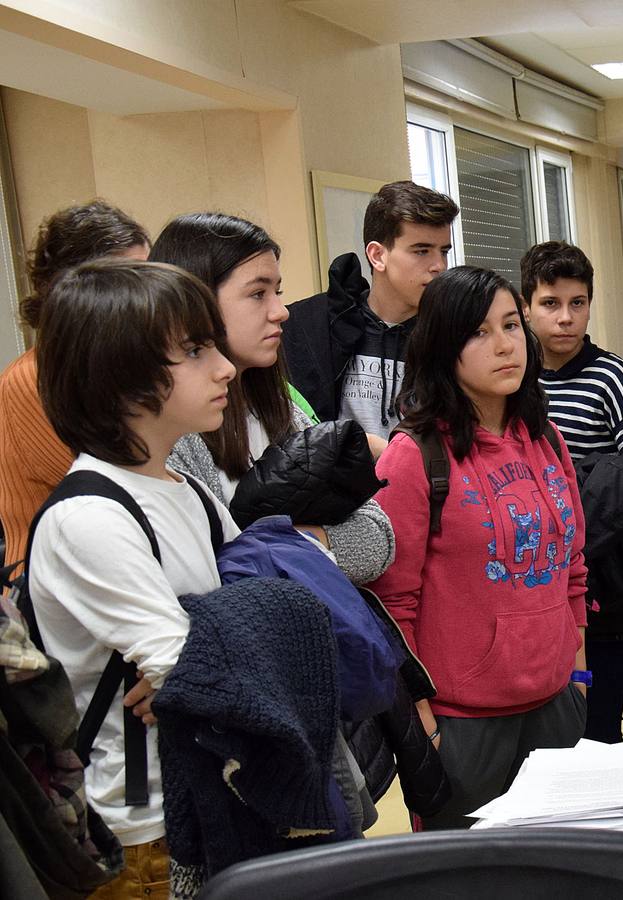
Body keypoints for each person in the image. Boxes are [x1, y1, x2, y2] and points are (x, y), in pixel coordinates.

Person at [28, 259, 243, 899]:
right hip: (137, 834)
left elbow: (278, 612)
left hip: (206, 795)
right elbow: (192, 670)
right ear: (119, 374)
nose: (225, 367)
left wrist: (212, 655)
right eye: (196, 351)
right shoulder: (88, 516)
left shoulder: (191, 491)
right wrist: (205, 661)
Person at [368, 266, 588, 828]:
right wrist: (423, 723)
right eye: (479, 332)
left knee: (556, 881)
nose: (505, 345)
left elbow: (572, 568)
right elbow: (393, 606)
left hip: (554, 708)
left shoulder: (545, 438)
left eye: (511, 325)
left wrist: (577, 674)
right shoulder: (414, 456)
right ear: (444, 346)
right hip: (462, 723)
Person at [151, 213, 393, 585]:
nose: (281, 311)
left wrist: (277, 545)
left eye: (277, 292)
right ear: (194, 302)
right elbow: (217, 573)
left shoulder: (283, 408)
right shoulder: (173, 436)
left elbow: (378, 539)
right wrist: (318, 542)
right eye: (257, 293)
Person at [522, 240, 623, 743]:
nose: (565, 318)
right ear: (526, 307)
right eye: (550, 304)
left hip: (602, 591)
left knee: (597, 730)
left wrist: (569, 518)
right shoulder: (512, 379)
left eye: (577, 303)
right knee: (544, 737)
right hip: (531, 587)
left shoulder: (612, 376)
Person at [0, 201, 149, 569]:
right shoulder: (31, 378)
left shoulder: (109, 362)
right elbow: (122, 482)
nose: (147, 297)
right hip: (53, 573)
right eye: (127, 280)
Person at [282, 180, 459, 442]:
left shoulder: (452, 333)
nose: (438, 265)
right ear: (377, 255)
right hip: (339, 480)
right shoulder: (313, 327)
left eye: (443, 251)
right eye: (421, 251)